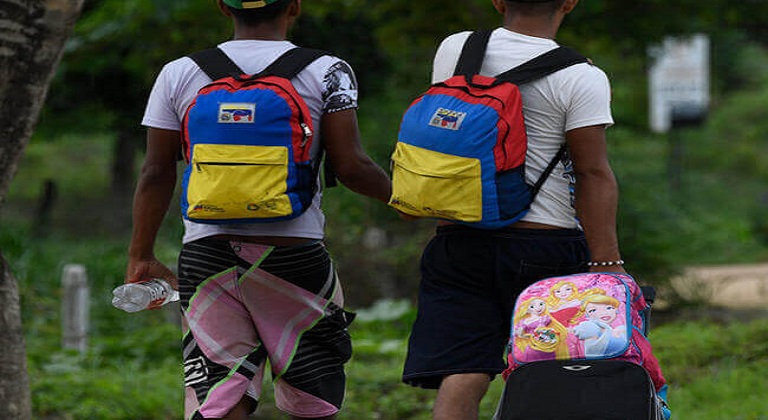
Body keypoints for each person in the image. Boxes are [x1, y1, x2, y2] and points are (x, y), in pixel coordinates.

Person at [124, 0, 391, 419]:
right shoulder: (328, 70)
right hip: (293, 255)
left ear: (223, 7)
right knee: (313, 395)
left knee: (219, 395)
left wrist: (141, 255)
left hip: (207, 257)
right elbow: (352, 167)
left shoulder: (179, 72)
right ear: (294, 6)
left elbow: (156, 171)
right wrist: (406, 199)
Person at [400, 0, 626, 418]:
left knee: (464, 367)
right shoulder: (582, 76)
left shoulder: (456, 49)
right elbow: (592, 172)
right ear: (569, 2)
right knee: (552, 369)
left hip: (460, 237)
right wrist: (608, 263)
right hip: (546, 242)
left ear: (499, 1)